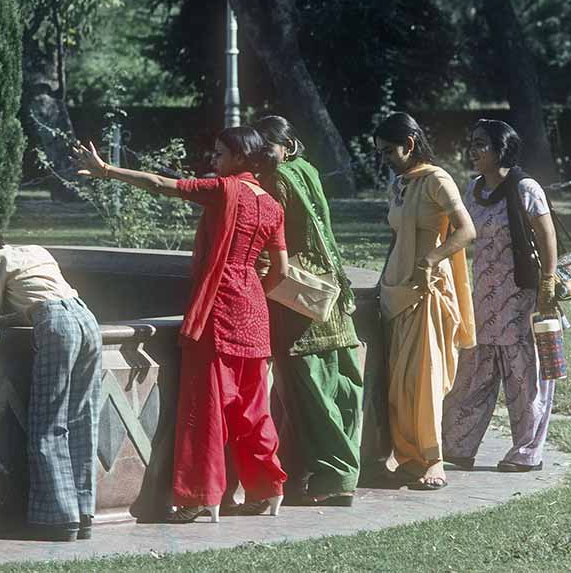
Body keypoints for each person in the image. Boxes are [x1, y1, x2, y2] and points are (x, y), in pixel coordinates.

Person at [73, 127, 289, 522]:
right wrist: (252, 290)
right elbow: (281, 271)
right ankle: (268, 488)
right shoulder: (272, 205)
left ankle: (199, 497)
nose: (215, 161)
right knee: (254, 408)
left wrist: (106, 170)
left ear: (239, 159)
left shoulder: (224, 190)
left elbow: (159, 183)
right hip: (255, 314)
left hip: (219, 311)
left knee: (205, 408)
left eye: (221, 154)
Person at [0, 228, 102, 542]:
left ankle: (59, 520)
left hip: (57, 327)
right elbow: (35, 295)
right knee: (82, 419)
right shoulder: (35, 249)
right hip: (87, 320)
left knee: (49, 423)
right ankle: (84, 514)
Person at [254, 115, 363, 507]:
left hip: (298, 294)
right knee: (343, 386)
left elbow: (274, 233)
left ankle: (334, 476)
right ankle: (340, 473)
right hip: (329, 288)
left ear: (286, 145)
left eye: (267, 147)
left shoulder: (277, 177)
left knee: (312, 388)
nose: (261, 155)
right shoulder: (307, 169)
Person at [442, 120, 558, 472]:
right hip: (483, 298)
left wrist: (548, 284)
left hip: (522, 298)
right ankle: (457, 447)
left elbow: (547, 235)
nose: (473, 151)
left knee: (524, 379)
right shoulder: (473, 189)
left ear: (501, 149)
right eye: (472, 143)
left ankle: (527, 453)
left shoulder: (526, 188)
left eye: (481, 144)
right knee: (473, 375)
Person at [374, 113, 476, 490]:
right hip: (397, 289)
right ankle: (407, 455)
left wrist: (431, 260)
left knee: (426, 376)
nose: (384, 158)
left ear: (410, 145)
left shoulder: (437, 180)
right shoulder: (401, 183)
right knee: (400, 379)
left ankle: (434, 460)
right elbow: (397, 236)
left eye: (388, 151)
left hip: (427, 290)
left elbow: (467, 230)